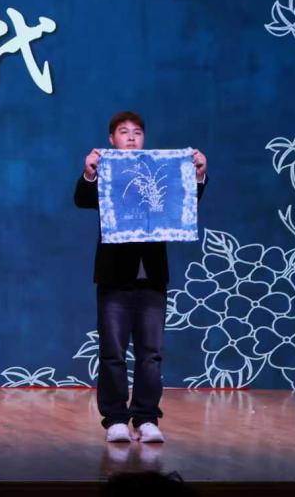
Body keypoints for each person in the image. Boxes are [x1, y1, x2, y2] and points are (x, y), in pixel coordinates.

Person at [75, 111, 206, 444]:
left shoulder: (158, 171)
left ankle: (146, 418)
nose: (131, 137)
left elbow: (184, 200)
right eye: (123, 132)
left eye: (137, 132)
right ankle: (116, 419)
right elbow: (82, 199)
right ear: (112, 139)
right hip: (114, 278)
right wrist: (89, 173)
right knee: (113, 353)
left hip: (152, 279)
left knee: (151, 355)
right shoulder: (107, 172)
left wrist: (198, 174)